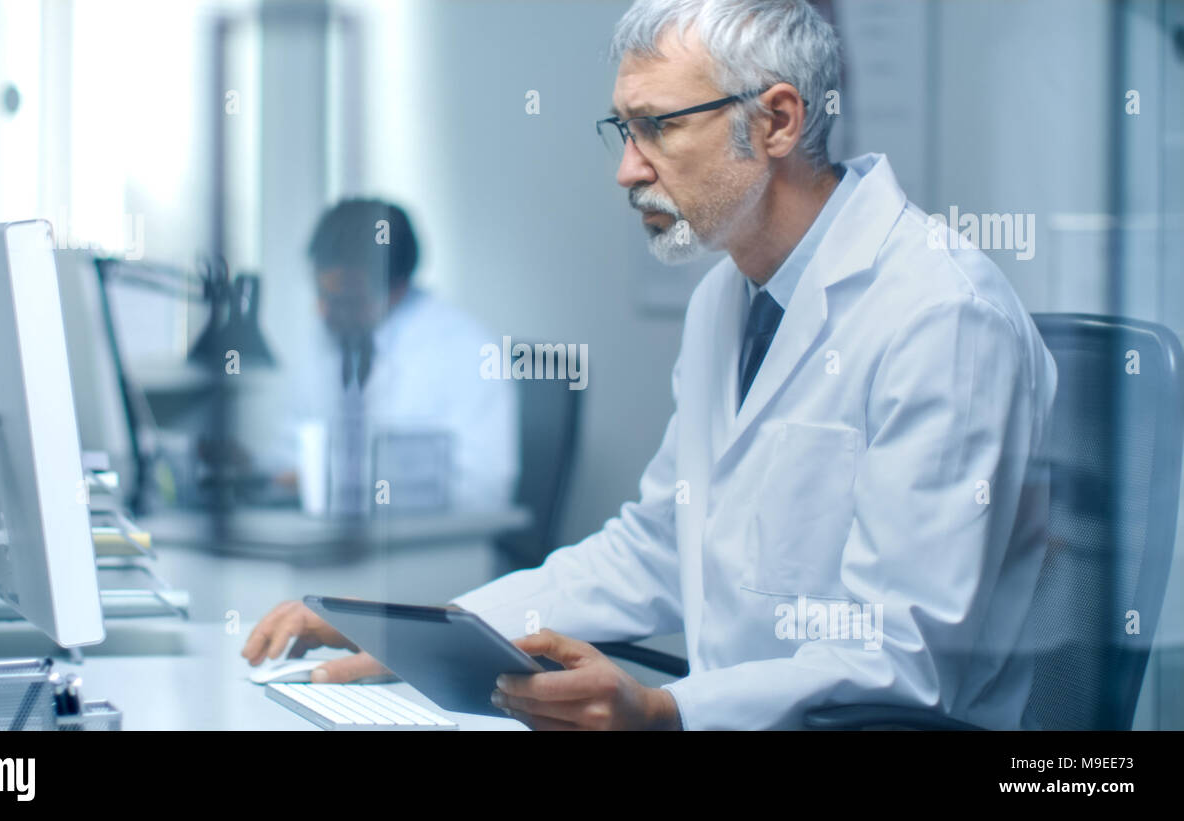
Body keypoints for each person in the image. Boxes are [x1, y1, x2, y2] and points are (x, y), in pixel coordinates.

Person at [244, 0, 1058, 730]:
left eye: (659, 128)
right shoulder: (725, 298)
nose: (628, 170)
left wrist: (667, 710)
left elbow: (903, 658)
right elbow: (655, 547)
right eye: (623, 132)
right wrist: (425, 633)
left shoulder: (941, 316)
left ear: (776, 122)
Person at [271, 198, 518, 512]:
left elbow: (483, 491)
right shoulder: (329, 335)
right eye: (321, 294)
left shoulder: (467, 351)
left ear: (397, 288)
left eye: (345, 298)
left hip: (435, 550)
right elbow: (289, 449)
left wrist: (350, 484)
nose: (323, 311)